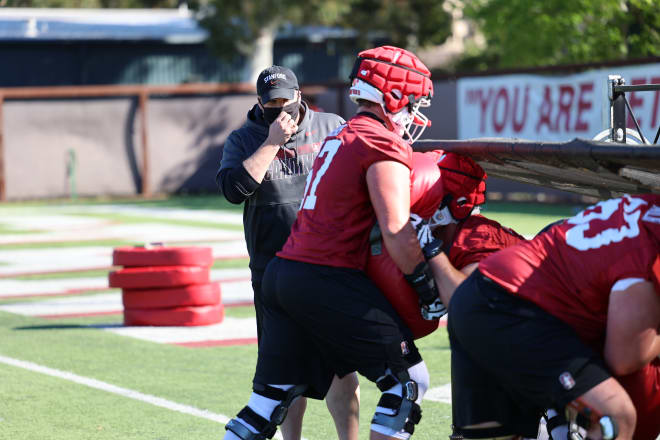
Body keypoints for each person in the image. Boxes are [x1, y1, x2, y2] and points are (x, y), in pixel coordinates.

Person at [223, 45, 444, 440]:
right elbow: (394, 229)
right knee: (408, 382)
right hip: (322, 276)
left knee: (270, 399)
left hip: (284, 272)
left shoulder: (338, 129)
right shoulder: (376, 140)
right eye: (410, 102)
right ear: (391, 97)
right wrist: (428, 288)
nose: (413, 113)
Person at [216, 65, 359, 440]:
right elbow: (234, 191)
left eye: (285, 100)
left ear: (299, 96)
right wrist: (271, 142)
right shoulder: (244, 138)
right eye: (271, 102)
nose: (279, 108)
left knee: (343, 375)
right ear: (259, 103)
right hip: (275, 276)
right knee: (286, 377)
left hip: (331, 271)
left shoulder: (332, 126)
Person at [447, 194, 660, 440]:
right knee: (613, 418)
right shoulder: (648, 245)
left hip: (478, 297)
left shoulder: (644, 209)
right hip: (518, 310)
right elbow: (625, 356)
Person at [367, 150, 526, 339]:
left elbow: (467, 304)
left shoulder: (479, 238)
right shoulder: (450, 234)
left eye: (428, 197)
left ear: (457, 205)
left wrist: (431, 251)